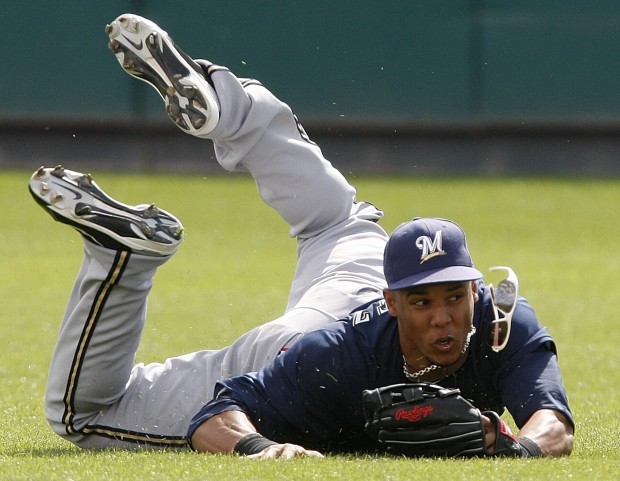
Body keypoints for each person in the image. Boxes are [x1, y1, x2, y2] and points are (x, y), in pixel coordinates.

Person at [30, 13, 573, 458]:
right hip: (307, 340)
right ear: (394, 303)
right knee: (82, 415)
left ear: (476, 289)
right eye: (424, 300)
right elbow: (215, 414)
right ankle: (122, 257)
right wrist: (260, 448)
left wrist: (513, 448)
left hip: (358, 268)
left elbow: (555, 423)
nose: (444, 315)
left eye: (455, 295)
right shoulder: (328, 356)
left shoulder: (503, 325)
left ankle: (230, 110)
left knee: (340, 218)